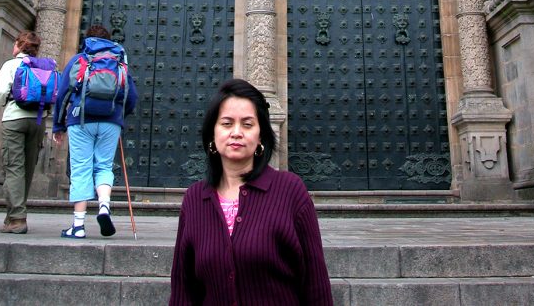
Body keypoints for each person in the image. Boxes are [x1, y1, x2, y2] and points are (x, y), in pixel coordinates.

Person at [169, 78, 333, 306]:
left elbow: (315, 286)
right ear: (212, 134)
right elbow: (183, 289)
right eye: (226, 123)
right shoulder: (195, 199)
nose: (236, 133)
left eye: (247, 124)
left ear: (261, 136)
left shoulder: (290, 191)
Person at [52, 24, 137, 239]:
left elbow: (63, 94)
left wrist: (58, 125)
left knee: (81, 168)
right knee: (104, 165)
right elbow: (132, 96)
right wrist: (118, 117)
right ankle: (104, 207)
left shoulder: (80, 59)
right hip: (111, 120)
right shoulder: (119, 61)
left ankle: (78, 226)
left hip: (80, 120)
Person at [0, 30, 48, 234]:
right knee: (27, 169)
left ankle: (17, 218)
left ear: (19, 45)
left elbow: (1, 91)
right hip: (38, 121)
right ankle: (13, 213)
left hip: (14, 118)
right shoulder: (43, 66)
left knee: (13, 167)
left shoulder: (11, 65)